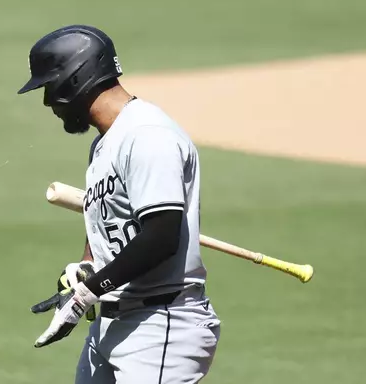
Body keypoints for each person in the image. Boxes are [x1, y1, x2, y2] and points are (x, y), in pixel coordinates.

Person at [17, 24, 221, 384]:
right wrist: (84, 270)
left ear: (74, 79)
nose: (48, 102)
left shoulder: (147, 135)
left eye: (49, 87)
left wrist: (90, 291)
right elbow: (104, 231)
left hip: (160, 326)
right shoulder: (104, 145)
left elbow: (160, 236)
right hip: (114, 324)